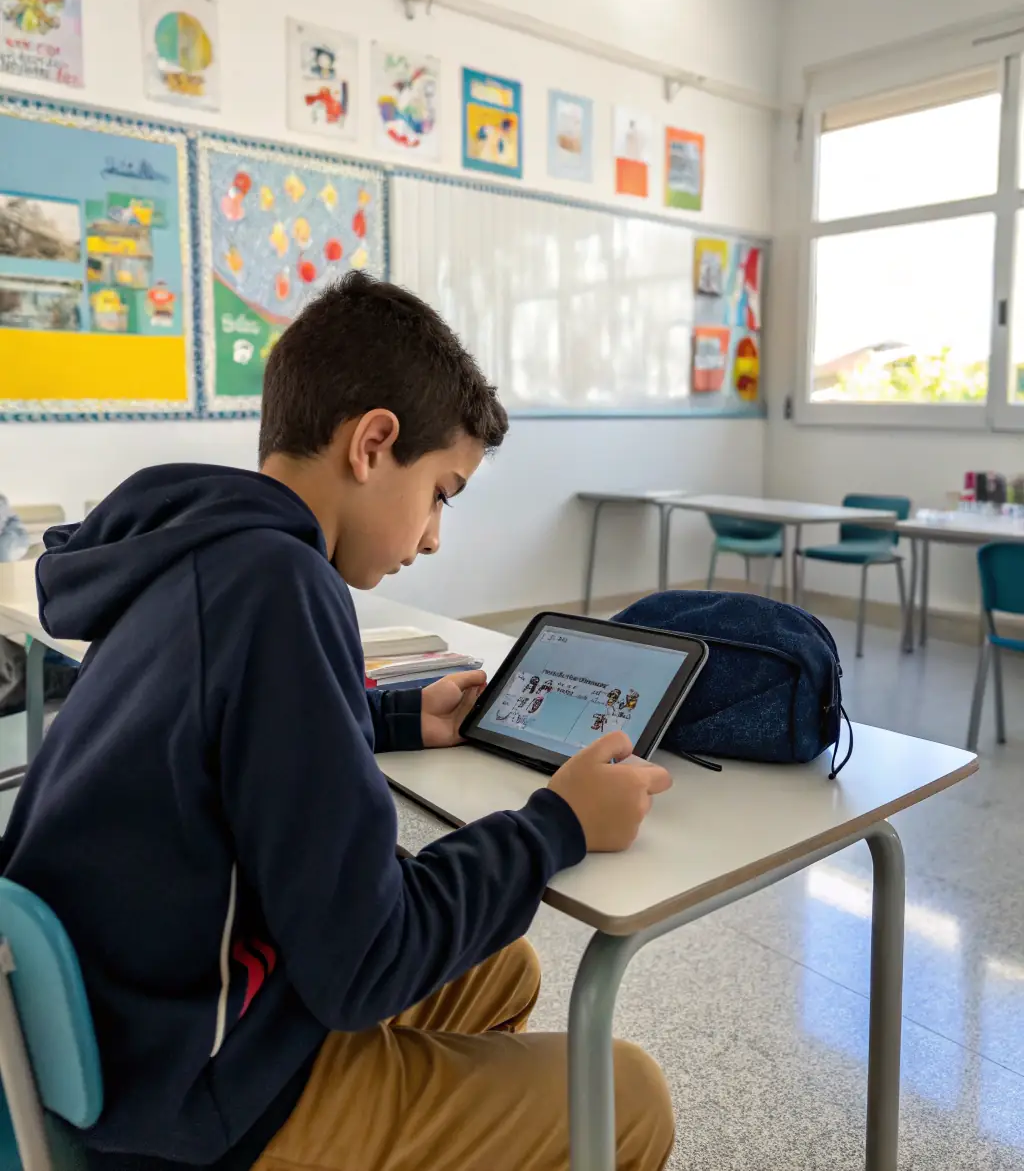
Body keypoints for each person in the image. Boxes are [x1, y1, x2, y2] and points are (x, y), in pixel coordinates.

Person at [1, 273, 675, 1171]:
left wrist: (392, 713)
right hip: (202, 1103)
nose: (434, 534)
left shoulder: (202, 550)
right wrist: (559, 824)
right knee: (628, 1098)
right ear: (373, 442)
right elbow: (365, 964)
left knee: (502, 967)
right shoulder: (285, 587)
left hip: (128, 1029)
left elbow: (221, 730)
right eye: (443, 491)